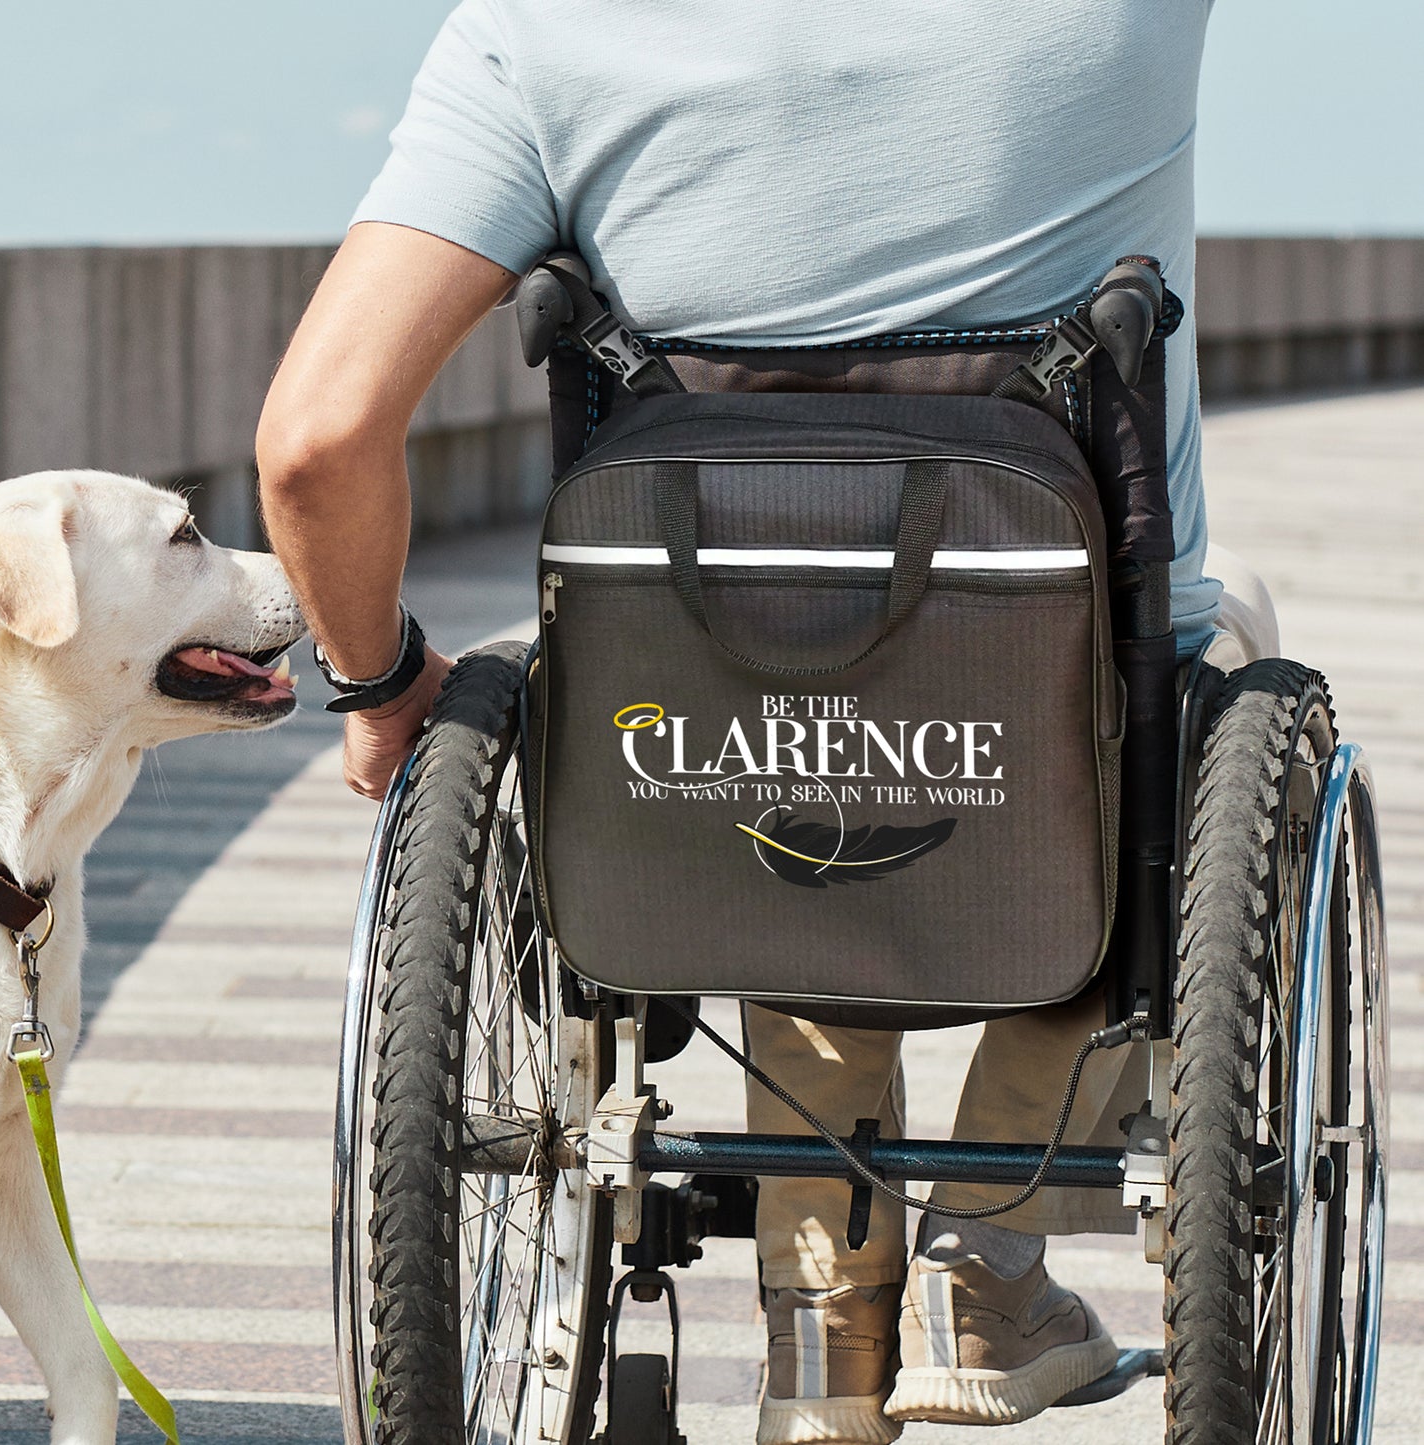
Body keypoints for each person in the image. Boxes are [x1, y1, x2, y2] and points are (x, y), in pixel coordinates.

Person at [258, 4, 1273, 1439]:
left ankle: (816, 1351)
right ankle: (982, 1265)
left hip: (719, 709)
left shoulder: (531, 33)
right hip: (1065, 688)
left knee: (780, 745)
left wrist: (376, 695)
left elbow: (313, 440)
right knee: (1196, 680)